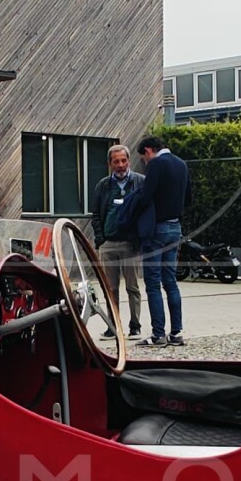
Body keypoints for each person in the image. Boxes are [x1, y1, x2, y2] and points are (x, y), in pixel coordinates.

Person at [130, 136, 188, 346]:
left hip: (157, 229)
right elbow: (188, 197)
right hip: (175, 228)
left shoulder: (156, 164)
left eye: (143, 158)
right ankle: (176, 333)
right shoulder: (182, 164)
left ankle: (158, 334)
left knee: (153, 283)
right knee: (170, 282)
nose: (145, 162)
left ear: (148, 150)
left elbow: (145, 197)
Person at [91, 144, 144, 339]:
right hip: (109, 245)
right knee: (110, 289)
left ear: (128, 161)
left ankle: (135, 326)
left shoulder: (140, 182)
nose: (120, 165)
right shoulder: (103, 185)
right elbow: (95, 214)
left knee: (132, 287)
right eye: (116, 161)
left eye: (123, 160)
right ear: (110, 164)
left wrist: (139, 238)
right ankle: (113, 327)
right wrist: (101, 239)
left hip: (131, 245)